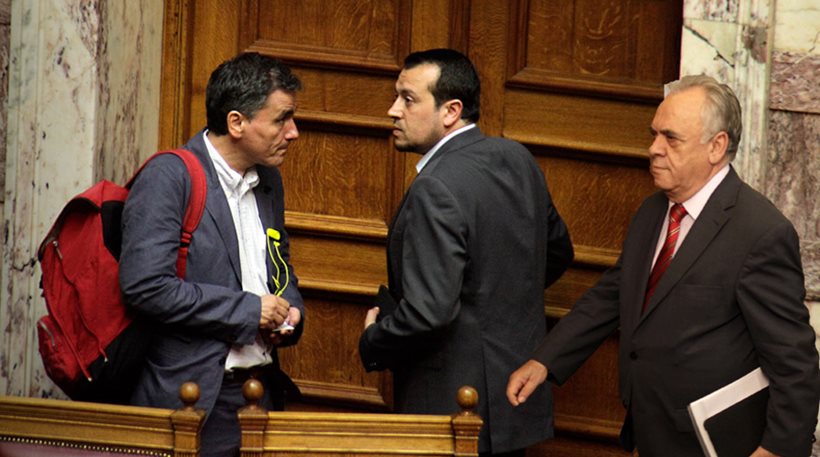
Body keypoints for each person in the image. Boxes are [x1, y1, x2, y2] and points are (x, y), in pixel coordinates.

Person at [507, 75, 820, 457]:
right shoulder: (652, 211)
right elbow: (613, 294)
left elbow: (794, 361)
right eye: (654, 135)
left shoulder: (760, 232)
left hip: (716, 444)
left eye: (671, 138)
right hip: (648, 430)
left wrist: (776, 450)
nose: (654, 149)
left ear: (716, 146)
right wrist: (545, 360)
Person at [358, 48, 574, 456]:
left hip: (453, 407)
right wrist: (495, 298)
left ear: (451, 111)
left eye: (408, 99)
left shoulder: (434, 187)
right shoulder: (517, 157)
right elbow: (559, 252)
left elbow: (429, 312)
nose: (393, 110)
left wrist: (373, 340)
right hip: (514, 397)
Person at [119, 52, 305, 457]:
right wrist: (248, 311)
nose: (293, 132)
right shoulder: (169, 177)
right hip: (193, 399)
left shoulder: (268, 180)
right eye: (282, 119)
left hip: (260, 395)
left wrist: (290, 310)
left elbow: (279, 264)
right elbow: (146, 286)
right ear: (236, 123)